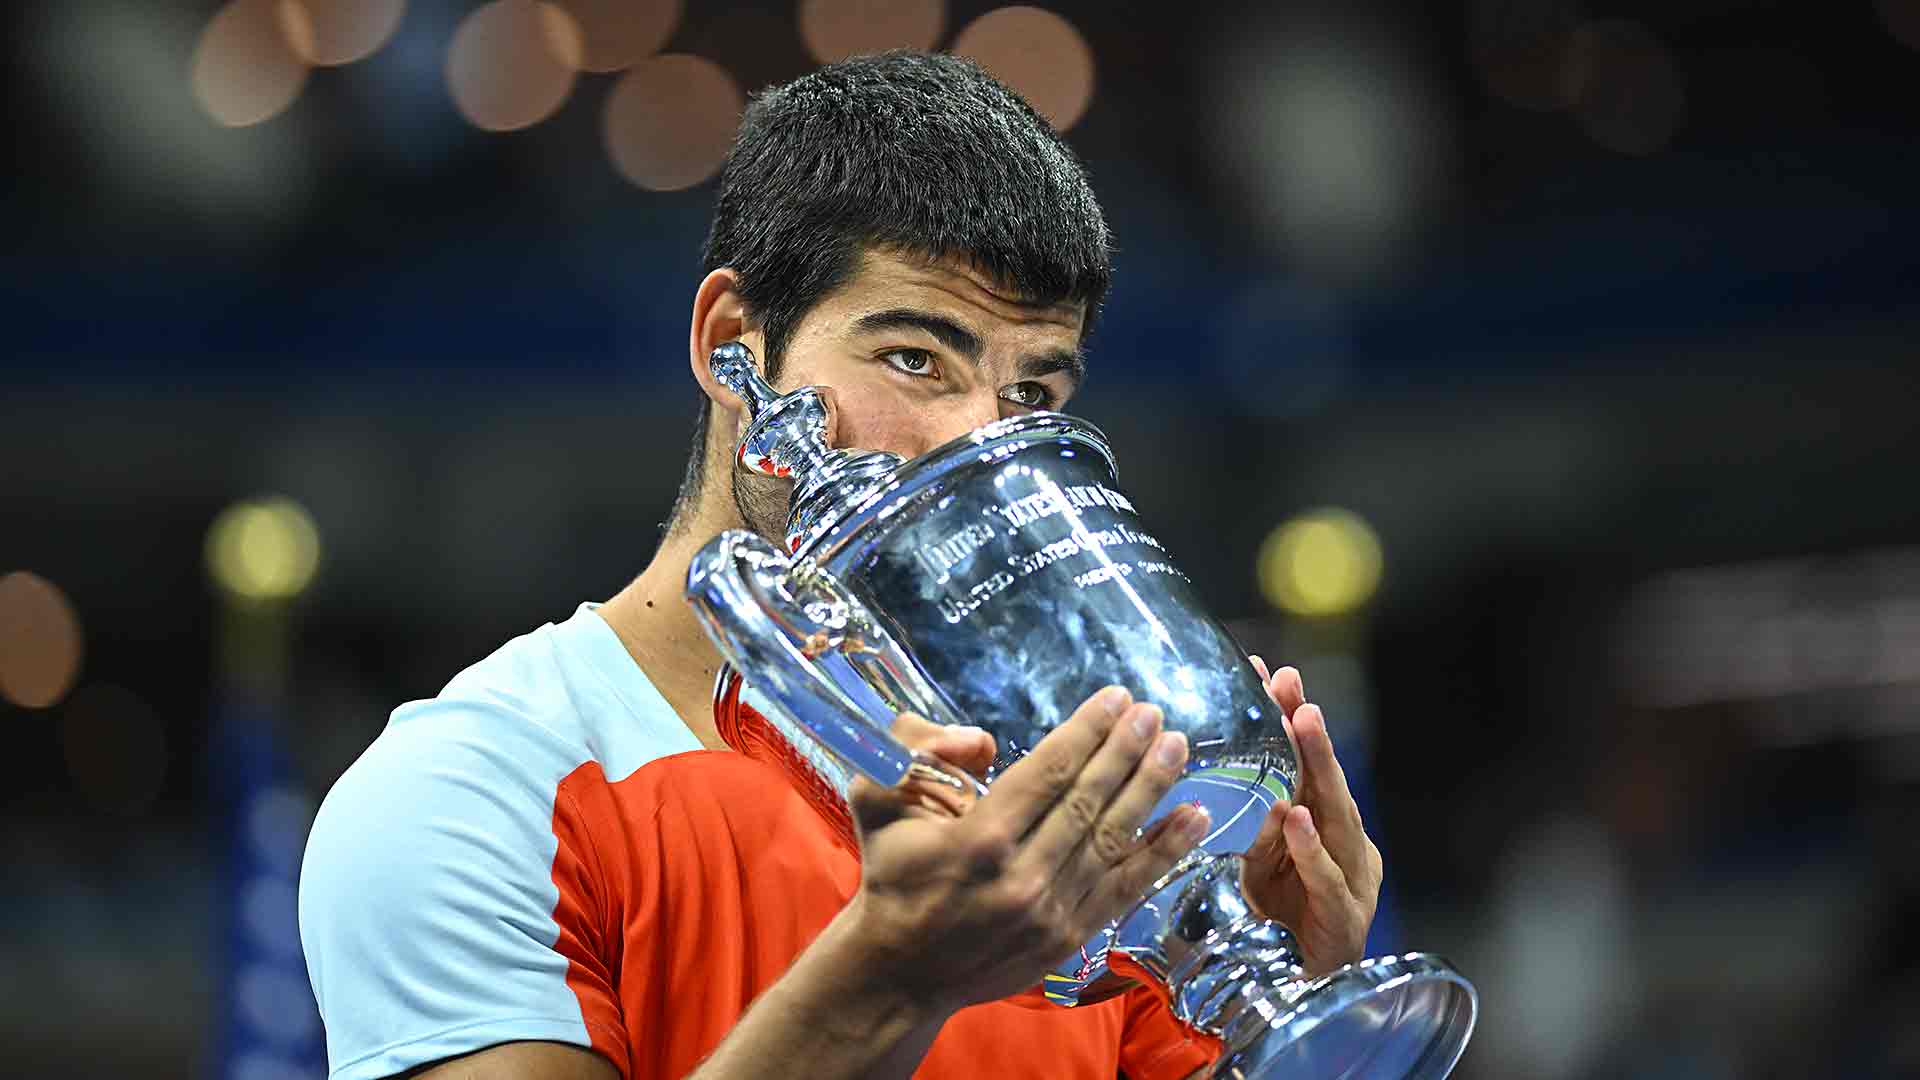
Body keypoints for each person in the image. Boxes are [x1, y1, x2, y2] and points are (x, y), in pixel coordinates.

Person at [298, 51, 1384, 1080]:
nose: (975, 442)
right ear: (734, 344)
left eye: (1031, 397)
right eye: (913, 358)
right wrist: (889, 977)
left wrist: (1278, 1034)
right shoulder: (474, 791)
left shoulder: (1097, 828)